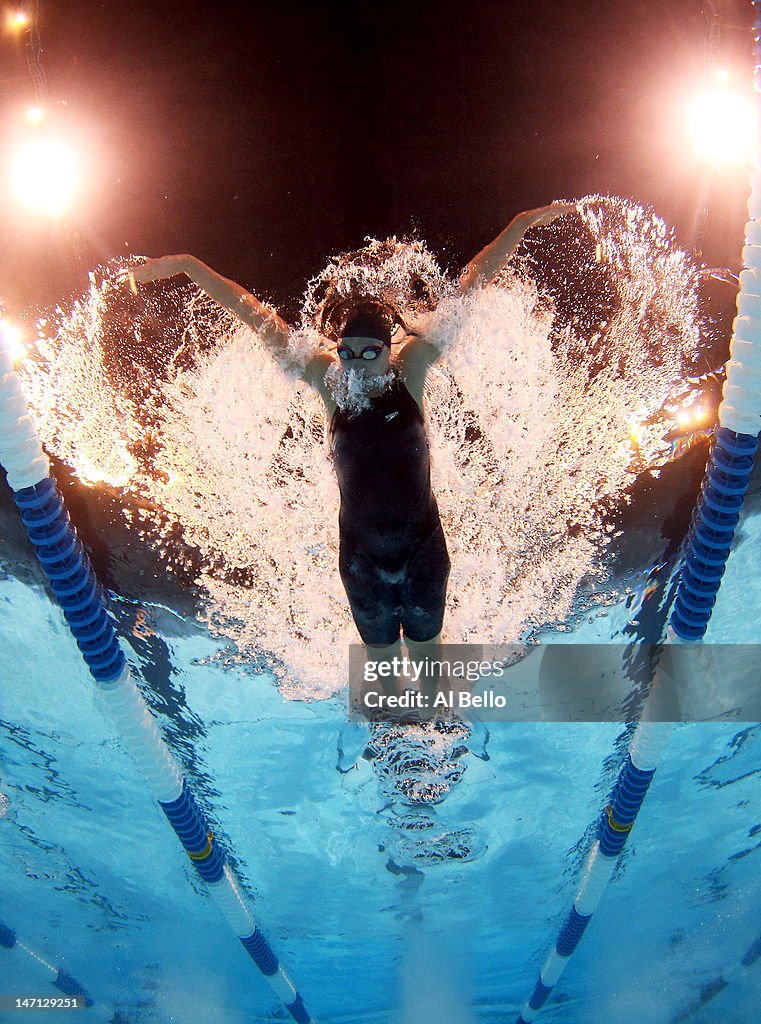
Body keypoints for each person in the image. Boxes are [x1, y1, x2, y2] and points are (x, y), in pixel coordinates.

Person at [128, 202, 575, 704]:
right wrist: (189, 265)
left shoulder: (412, 371)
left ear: (389, 349)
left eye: (369, 352)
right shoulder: (330, 385)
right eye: (347, 352)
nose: (357, 364)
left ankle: (435, 725)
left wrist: (518, 225)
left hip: (423, 546)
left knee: (428, 662)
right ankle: (395, 736)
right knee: (383, 670)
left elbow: (468, 290)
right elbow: (257, 318)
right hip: (361, 558)